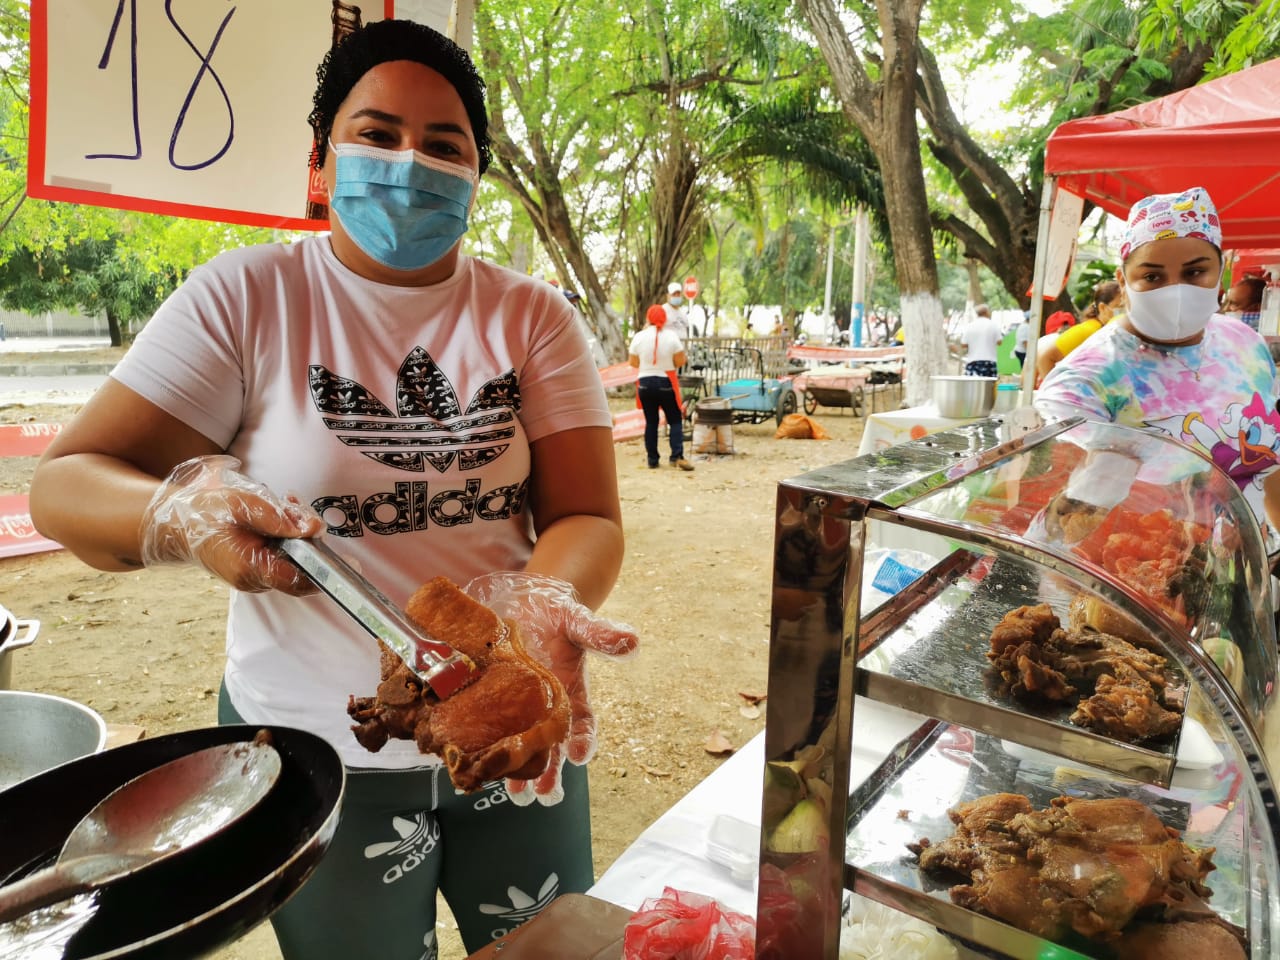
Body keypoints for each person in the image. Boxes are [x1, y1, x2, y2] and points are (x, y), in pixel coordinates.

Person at [28, 19, 636, 960]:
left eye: (445, 146)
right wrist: (177, 512)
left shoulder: (529, 317)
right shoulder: (246, 298)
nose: (410, 163)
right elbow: (65, 487)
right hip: (317, 747)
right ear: (323, 159)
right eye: (377, 134)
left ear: (477, 173)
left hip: (509, 718)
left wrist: (538, 603)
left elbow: (587, 514)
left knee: (548, 945)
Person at [1036, 186, 1280, 530]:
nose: (1176, 290)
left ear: (1220, 270)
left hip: (1249, 562)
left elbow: (1269, 465)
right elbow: (1066, 523)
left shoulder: (1245, 344)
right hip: (1143, 568)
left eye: (1195, 272)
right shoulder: (1083, 384)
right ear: (1123, 281)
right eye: (1152, 276)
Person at [629, 304, 693, 471]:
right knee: (675, 419)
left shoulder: (639, 337)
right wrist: (667, 363)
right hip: (664, 382)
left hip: (644, 383)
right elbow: (680, 361)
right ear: (665, 319)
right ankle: (676, 456)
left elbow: (633, 362)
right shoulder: (671, 336)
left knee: (651, 422)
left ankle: (652, 459)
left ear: (648, 318)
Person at [1035, 280, 1125, 384]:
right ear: (1102, 308)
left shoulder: (1107, 331)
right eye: (1121, 308)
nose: (1125, 313)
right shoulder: (1089, 330)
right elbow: (1044, 357)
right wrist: (1058, 389)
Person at [959, 304, 1001, 377]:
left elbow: (963, 344)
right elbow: (999, 342)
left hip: (973, 361)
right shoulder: (993, 325)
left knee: (972, 386)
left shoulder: (970, 326)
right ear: (987, 312)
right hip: (989, 362)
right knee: (989, 386)